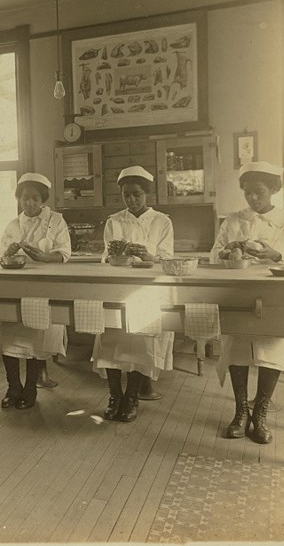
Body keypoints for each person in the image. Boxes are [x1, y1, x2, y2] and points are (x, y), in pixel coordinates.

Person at [210, 161, 284, 444]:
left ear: (273, 189)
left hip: (277, 297)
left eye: (259, 192)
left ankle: (259, 413)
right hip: (239, 293)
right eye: (248, 193)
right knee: (237, 348)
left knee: (272, 349)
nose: (253, 198)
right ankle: (240, 412)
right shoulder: (234, 220)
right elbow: (213, 254)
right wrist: (227, 252)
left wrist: (276, 255)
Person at [93, 166, 174, 422]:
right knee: (111, 340)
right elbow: (106, 256)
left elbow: (168, 259)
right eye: (127, 195)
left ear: (147, 193)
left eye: (137, 194)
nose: (132, 200)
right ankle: (114, 395)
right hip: (117, 288)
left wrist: (148, 256)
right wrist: (116, 254)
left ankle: (131, 397)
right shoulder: (115, 220)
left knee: (140, 343)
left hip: (147, 291)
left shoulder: (162, 221)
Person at [0, 173, 71, 410]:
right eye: (24, 198)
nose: (29, 203)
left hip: (45, 286)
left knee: (39, 337)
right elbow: (2, 256)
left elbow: (64, 253)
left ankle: (30, 389)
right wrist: (9, 252)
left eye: (34, 198)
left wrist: (43, 256)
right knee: (9, 337)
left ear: (43, 199)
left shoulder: (56, 220)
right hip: (16, 287)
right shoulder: (13, 224)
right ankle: (13, 386)